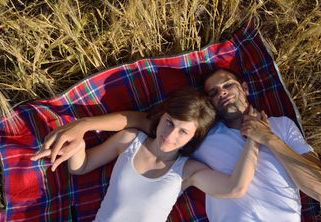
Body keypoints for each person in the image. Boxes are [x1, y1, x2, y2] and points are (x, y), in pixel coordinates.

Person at [33, 69, 321, 221]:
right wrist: (83, 125)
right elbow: (139, 120)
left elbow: (319, 190)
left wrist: (267, 138)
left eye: (228, 85)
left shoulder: (282, 126)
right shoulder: (202, 133)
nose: (222, 93)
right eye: (213, 92)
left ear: (245, 88)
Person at [32, 88, 260, 222]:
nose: (170, 135)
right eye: (169, 122)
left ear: (194, 137)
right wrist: (78, 146)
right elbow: (80, 167)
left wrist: (255, 140)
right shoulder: (130, 139)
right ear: (161, 117)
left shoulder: (188, 171)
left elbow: (234, 188)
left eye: (183, 131)